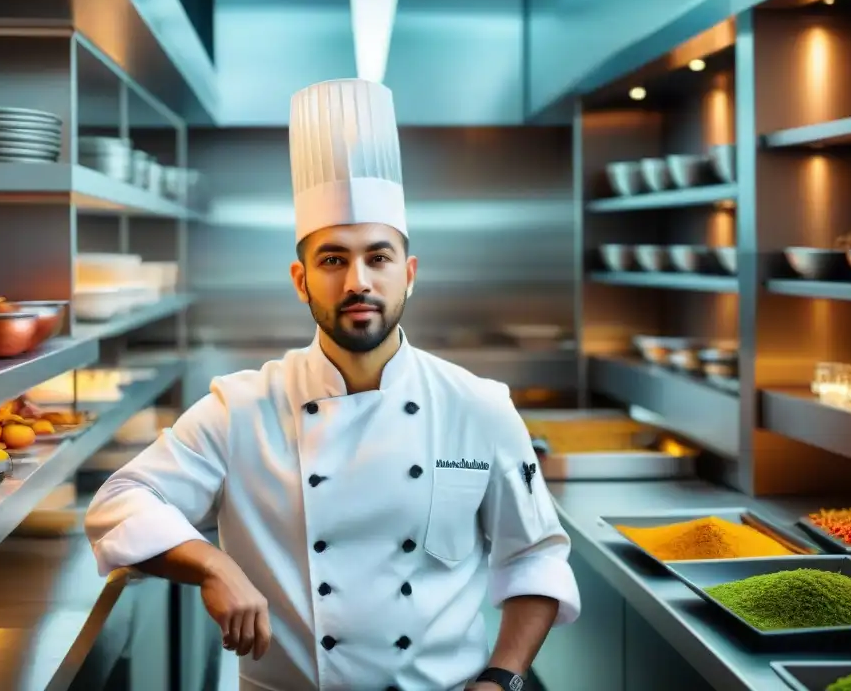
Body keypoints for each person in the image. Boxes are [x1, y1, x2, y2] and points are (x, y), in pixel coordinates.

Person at [85, 78, 581, 691]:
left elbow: (534, 557)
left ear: (410, 274)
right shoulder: (242, 407)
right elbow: (116, 503)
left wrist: (500, 679)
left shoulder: (476, 405)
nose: (357, 281)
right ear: (300, 279)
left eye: (378, 257)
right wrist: (212, 565)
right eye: (332, 260)